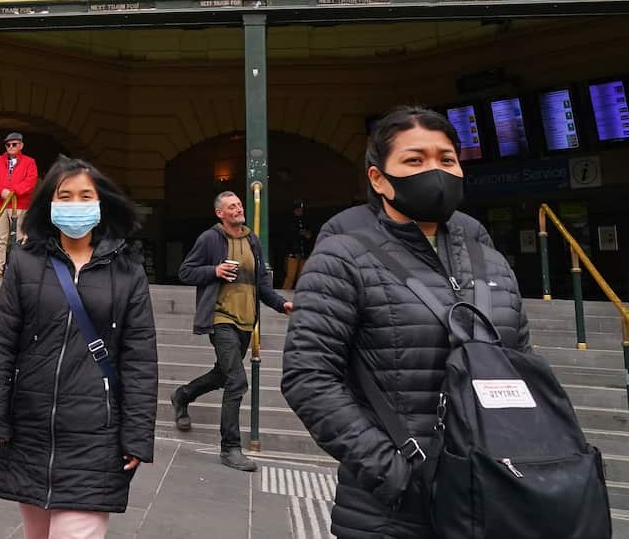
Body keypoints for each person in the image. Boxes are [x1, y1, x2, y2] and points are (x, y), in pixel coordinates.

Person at [281, 106, 532, 539]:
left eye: (446, 158)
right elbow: (308, 376)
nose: (434, 170)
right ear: (379, 179)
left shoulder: (490, 261)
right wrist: (396, 473)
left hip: (495, 496)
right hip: (393, 510)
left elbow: (523, 367)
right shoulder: (343, 257)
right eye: (415, 160)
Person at [0, 157, 157, 539]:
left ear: (101, 202)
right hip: (31, 430)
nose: (76, 204)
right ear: (50, 203)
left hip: (96, 435)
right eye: (66, 195)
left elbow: (140, 358)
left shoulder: (127, 270)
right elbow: (1, 343)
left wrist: (138, 434)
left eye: (85, 196)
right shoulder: (25, 262)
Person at [170, 191, 292, 471]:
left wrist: (281, 304)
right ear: (220, 214)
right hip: (221, 317)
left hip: (247, 320)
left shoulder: (252, 240)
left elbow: (261, 284)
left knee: (223, 374)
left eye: (239, 204)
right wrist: (214, 271)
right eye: (231, 206)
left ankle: (183, 395)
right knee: (237, 381)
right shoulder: (210, 238)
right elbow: (186, 272)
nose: (238, 208)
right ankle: (230, 448)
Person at [0, 131, 38, 278]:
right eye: (8, 144)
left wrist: (13, 192)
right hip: (0, 205)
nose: (10, 147)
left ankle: (18, 271)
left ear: (21, 145)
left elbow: (30, 181)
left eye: (14, 144)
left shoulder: (29, 162)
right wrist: (0, 191)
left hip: (20, 206)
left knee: (20, 240)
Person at [281, 198, 314, 288]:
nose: (300, 211)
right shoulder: (289, 221)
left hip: (304, 253)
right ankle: (284, 298)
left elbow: (310, 235)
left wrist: (307, 234)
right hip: (293, 254)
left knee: (302, 277)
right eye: (298, 209)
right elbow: (288, 237)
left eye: (301, 210)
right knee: (290, 277)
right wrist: (300, 234)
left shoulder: (305, 220)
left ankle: (300, 296)